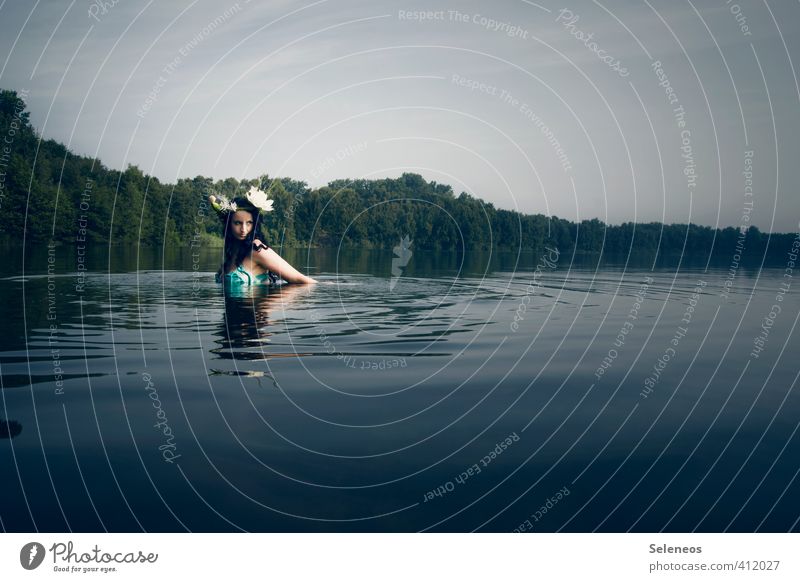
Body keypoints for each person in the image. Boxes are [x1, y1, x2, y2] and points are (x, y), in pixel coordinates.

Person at [210, 187, 317, 286]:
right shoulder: (232, 251)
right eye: (237, 223)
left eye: (249, 223)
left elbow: (301, 280)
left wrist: (270, 304)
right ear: (229, 224)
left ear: (255, 224)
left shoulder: (256, 249)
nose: (244, 229)